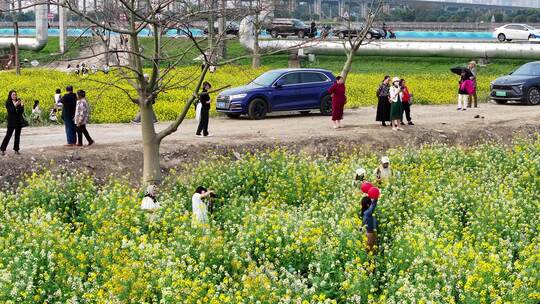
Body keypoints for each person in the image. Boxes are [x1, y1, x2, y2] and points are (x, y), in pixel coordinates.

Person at [1, 90, 25, 155]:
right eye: (13, 95)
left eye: (15, 94)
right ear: (10, 95)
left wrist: (22, 106)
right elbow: (10, 111)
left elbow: (20, 112)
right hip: (11, 122)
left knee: (17, 136)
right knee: (8, 135)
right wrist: (15, 105)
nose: (14, 96)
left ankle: (16, 150)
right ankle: (2, 149)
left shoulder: (18, 101)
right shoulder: (8, 102)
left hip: (18, 121)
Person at [361, 186, 380, 253]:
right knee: (371, 252)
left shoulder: (365, 212)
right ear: (368, 204)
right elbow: (373, 205)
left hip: (369, 234)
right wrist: (376, 197)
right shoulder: (368, 213)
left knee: (371, 252)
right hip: (370, 235)